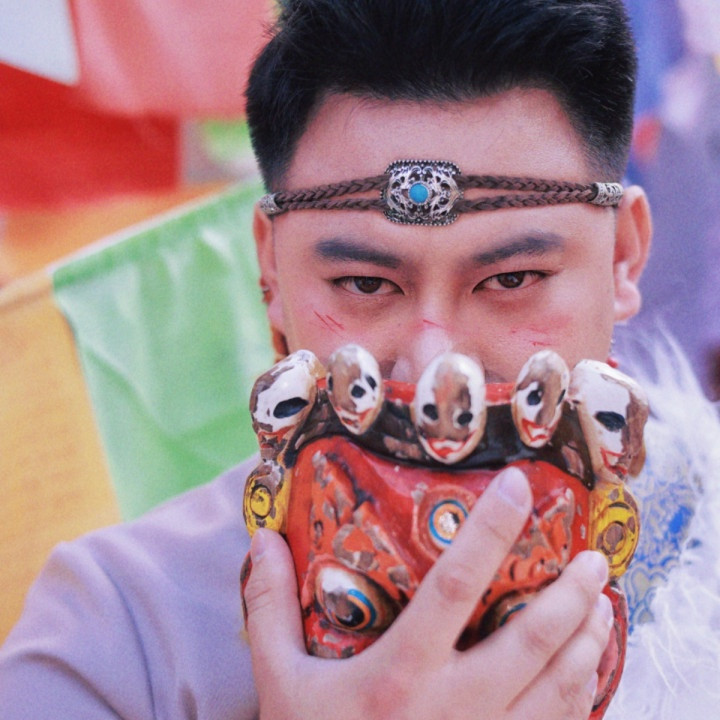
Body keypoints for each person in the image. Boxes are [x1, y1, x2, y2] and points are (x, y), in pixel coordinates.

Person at [1, 1, 718, 718]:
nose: (434, 370)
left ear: (623, 257)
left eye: (511, 279)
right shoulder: (116, 643)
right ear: (271, 272)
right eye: (366, 285)